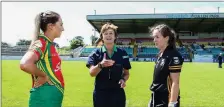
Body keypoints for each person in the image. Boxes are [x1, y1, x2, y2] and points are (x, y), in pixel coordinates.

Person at [20, 11, 65, 107]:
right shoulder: (41, 43)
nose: (63, 28)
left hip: (51, 97)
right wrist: (43, 76)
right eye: (60, 25)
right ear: (51, 26)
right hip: (44, 98)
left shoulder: (49, 44)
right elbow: (25, 64)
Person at [86, 23, 131, 107]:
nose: (108, 36)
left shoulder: (122, 53)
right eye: (105, 33)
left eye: (111, 33)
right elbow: (92, 73)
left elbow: (126, 73)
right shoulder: (95, 53)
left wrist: (123, 80)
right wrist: (101, 65)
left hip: (118, 93)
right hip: (100, 94)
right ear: (102, 37)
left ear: (115, 36)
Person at [148, 24, 184, 107]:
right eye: (154, 37)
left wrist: (172, 102)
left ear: (166, 38)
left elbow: (175, 81)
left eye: (157, 37)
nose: (154, 40)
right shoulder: (160, 54)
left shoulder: (173, 55)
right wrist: (152, 100)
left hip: (166, 98)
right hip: (156, 96)